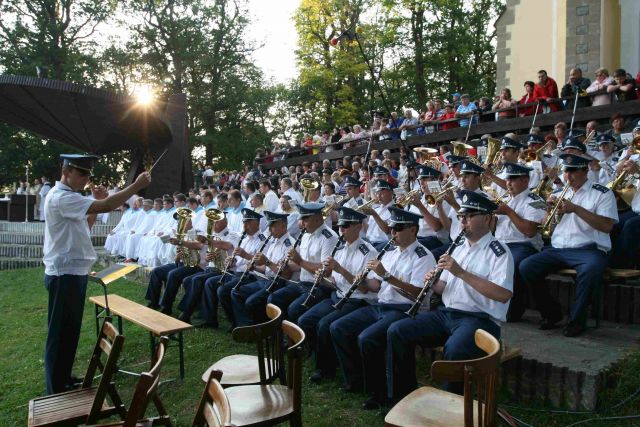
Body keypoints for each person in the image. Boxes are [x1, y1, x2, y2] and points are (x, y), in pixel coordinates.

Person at [386, 190, 513, 400]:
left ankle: (451, 407)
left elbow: (503, 294)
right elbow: (444, 288)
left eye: (470, 216)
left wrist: (461, 273)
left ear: (487, 219)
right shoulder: (458, 247)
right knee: (397, 330)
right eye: (462, 216)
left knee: (454, 351)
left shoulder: (499, 252)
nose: (463, 221)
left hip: (480, 320)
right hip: (447, 314)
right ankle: (401, 397)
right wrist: (432, 282)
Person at [43, 154, 151, 394]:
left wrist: (96, 201)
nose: (85, 179)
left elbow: (86, 226)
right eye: (81, 173)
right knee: (60, 333)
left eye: (87, 175)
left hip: (73, 272)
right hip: (65, 274)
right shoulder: (62, 197)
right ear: (66, 172)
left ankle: (63, 377)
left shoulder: (70, 196)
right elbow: (107, 206)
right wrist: (136, 186)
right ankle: (55, 389)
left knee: (70, 331)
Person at [330, 207, 435, 409]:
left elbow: (417, 293)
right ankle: (357, 381)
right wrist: (362, 280)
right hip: (381, 305)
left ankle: (381, 393)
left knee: (367, 338)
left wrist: (387, 276)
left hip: (403, 309)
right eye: (392, 228)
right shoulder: (389, 252)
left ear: (413, 230)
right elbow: (375, 286)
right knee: (339, 327)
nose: (392, 232)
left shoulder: (423, 256)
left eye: (398, 229)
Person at [519, 153, 618, 337]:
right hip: (558, 249)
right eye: (566, 171)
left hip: (589, 249)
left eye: (573, 171)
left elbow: (606, 226)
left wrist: (576, 209)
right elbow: (547, 228)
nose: (568, 176)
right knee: (527, 266)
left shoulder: (602, 193)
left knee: (590, 270)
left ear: (585, 171)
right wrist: (549, 212)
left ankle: (576, 321)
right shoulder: (558, 193)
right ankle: (551, 313)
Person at [299, 207, 378, 384]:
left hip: (357, 300)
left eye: (346, 226)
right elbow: (334, 280)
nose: (341, 230)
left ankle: (328, 369)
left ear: (358, 227)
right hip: (339, 295)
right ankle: (323, 359)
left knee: (326, 324)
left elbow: (364, 289)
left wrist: (340, 269)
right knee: (306, 319)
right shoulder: (340, 248)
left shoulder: (369, 252)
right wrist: (324, 276)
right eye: (340, 226)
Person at [268, 202, 339, 322]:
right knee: (274, 298)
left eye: (305, 219)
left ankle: (293, 332)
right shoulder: (306, 235)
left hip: (320, 287)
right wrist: (287, 265)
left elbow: (326, 270)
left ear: (317, 219)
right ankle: (280, 330)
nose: (301, 223)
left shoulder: (329, 237)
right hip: (303, 283)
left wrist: (299, 261)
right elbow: (301, 264)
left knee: (294, 309)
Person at [493, 163, 546, 322]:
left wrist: (509, 212)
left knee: (511, 264)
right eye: (507, 179)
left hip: (523, 245)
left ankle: (512, 311)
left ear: (525, 181)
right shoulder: (504, 199)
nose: (508, 183)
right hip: (501, 243)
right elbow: (492, 229)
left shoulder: (536, 200)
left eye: (513, 179)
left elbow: (529, 231)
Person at [230, 210, 298, 327]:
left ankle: (259, 328)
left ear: (283, 225)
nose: (269, 229)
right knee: (236, 292)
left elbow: (285, 275)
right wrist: (254, 267)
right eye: (269, 225)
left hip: (279, 282)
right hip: (266, 279)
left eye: (273, 225)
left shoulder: (290, 245)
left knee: (252, 302)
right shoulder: (273, 241)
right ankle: (244, 326)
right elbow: (267, 269)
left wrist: (267, 262)